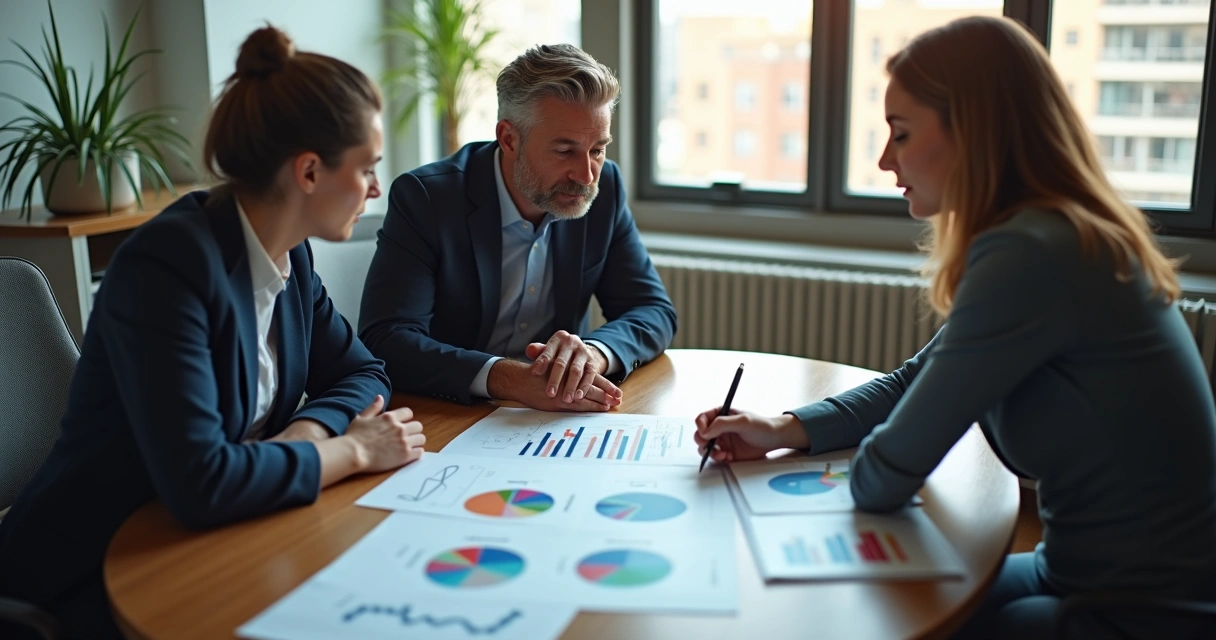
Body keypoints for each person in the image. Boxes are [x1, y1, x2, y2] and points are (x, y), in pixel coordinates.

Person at [692, 16, 1216, 640]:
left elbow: (887, 473)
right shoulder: (1051, 232)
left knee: (884, 616)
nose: (886, 160)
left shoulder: (1033, 255)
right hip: (1079, 570)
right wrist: (784, 429)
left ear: (974, 132)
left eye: (902, 133)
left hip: (1150, 605)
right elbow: (915, 380)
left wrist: (853, 475)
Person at [0, 27, 426, 639]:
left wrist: (306, 432)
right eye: (367, 168)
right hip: (95, 569)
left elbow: (363, 372)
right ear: (308, 171)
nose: (376, 189)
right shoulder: (166, 267)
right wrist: (353, 449)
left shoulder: (292, 256)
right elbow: (202, 484)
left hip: (220, 538)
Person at [359, 44, 677, 412]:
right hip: (451, 412)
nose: (587, 175)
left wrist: (591, 354)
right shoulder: (427, 199)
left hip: (553, 417)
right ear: (509, 139)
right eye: (564, 151)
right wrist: (509, 379)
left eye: (597, 150)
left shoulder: (604, 190)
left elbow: (653, 310)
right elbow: (386, 339)